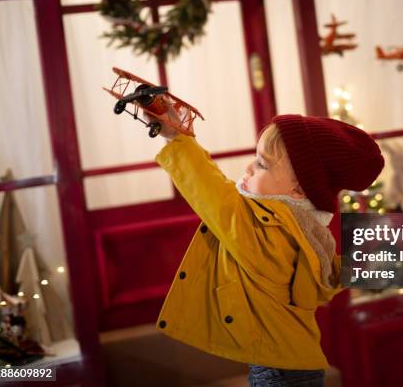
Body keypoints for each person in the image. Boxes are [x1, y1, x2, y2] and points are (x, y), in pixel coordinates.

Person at [150, 108, 384, 386]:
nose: (249, 168)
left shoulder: (264, 230)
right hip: (298, 364)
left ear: (298, 191)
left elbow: (212, 192)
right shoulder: (306, 227)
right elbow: (328, 277)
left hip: (278, 372)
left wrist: (176, 137)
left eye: (262, 164)